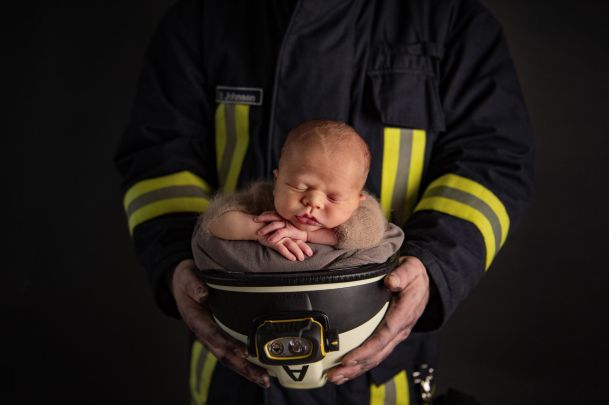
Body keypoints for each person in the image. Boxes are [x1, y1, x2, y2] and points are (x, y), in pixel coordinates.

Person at [114, 0, 534, 403]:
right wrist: (177, 262)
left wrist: (432, 265)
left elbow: (490, 161)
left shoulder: (450, 19)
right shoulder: (204, 18)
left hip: (378, 374)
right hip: (233, 362)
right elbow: (159, 161)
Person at [199, 120, 390, 263]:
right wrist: (262, 231)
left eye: (333, 197)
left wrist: (308, 236)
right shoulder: (262, 197)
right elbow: (214, 220)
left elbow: (371, 233)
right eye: (300, 187)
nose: (313, 201)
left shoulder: (361, 212)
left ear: (358, 200)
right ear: (277, 181)